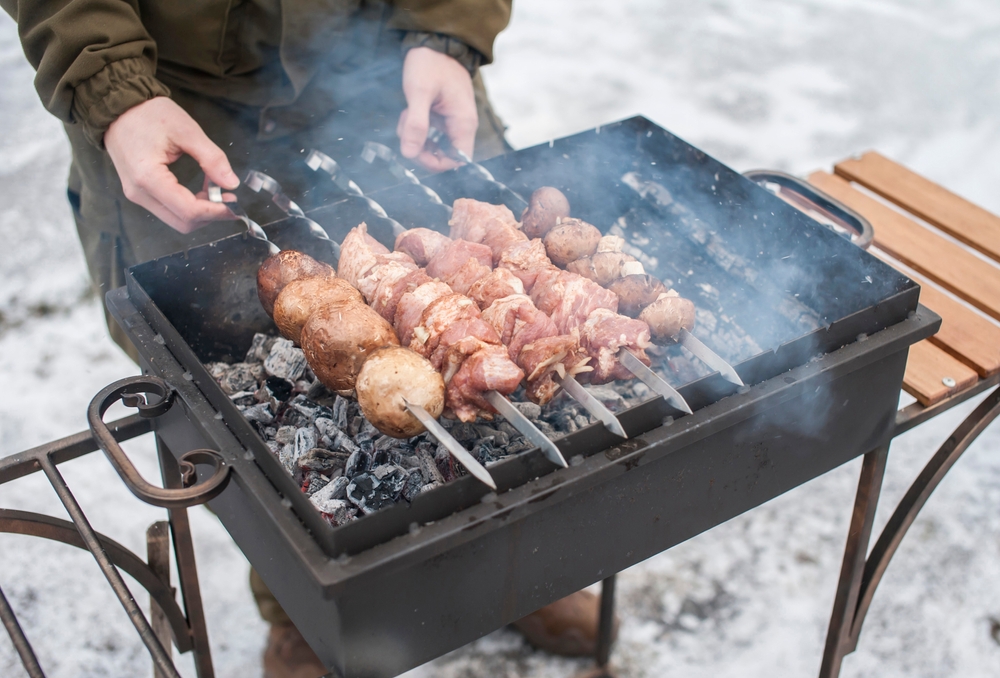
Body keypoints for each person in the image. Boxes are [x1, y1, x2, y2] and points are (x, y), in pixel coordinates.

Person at [2, 1, 612, 675]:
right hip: (178, 102)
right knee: (248, 419)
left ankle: (521, 563)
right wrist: (111, 89)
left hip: (389, 65)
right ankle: (299, 611)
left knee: (515, 372)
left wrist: (448, 31)